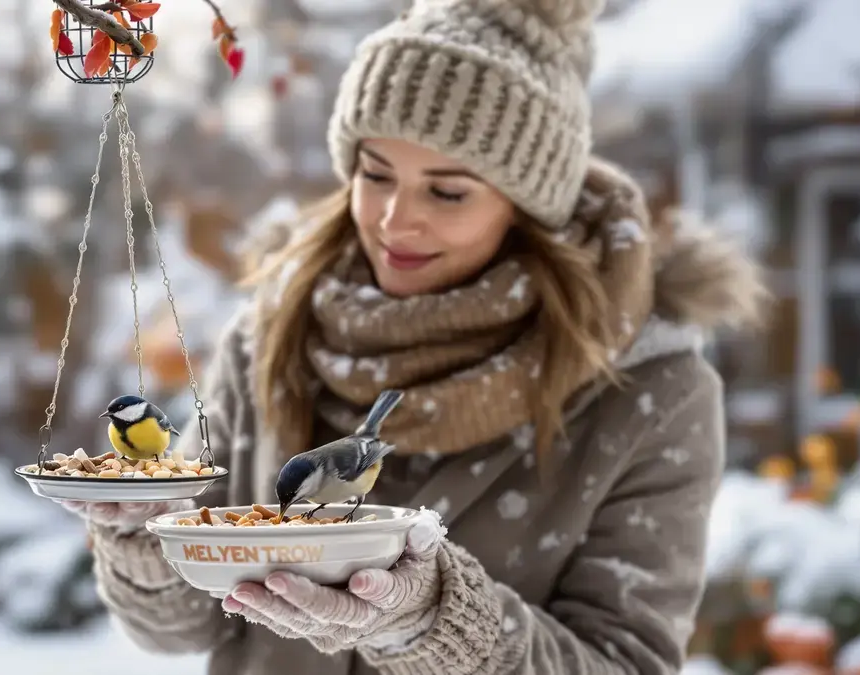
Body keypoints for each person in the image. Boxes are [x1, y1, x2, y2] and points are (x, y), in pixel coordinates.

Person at [61, 0, 770, 672]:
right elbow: (183, 623)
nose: (395, 221)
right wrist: (145, 538)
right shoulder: (272, 332)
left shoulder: (650, 391)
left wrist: (437, 621)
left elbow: (625, 661)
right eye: (376, 174)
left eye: (447, 191)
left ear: (526, 207)